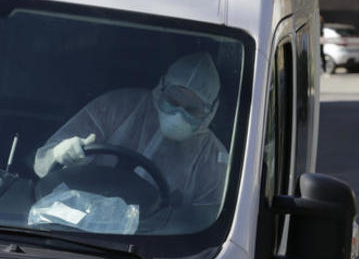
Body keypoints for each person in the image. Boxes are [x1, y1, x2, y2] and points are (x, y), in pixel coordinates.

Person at [34, 52, 229, 208]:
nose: (178, 114)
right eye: (173, 101)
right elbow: (43, 162)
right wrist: (60, 153)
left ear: (209, 112)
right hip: (80, 221)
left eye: (191, 109)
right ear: (161, 89)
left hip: (153, 243)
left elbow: (206, 219)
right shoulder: (116, 107)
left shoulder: (213, 158)